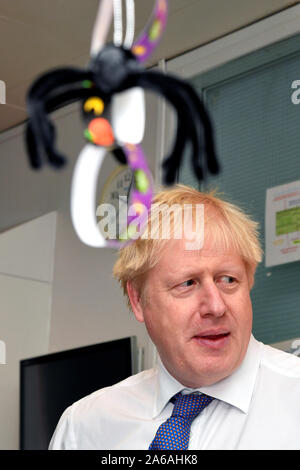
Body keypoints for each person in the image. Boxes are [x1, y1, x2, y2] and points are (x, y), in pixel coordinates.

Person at [49, 184, 300, 450]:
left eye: (228, 279)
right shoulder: (85, 428)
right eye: (188, 283)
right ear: (137, 300)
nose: (216, 306)